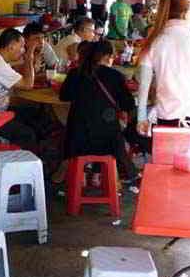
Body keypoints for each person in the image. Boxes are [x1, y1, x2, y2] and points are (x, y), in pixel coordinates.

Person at [136, 0, 190, 134]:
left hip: (167, 120)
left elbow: (143, 86)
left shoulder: (153, 43)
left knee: (168, 157)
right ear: (185, 12)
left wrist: (141, 118)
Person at [58, 40, 137, 184]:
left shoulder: (75, 73)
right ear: (107, 57)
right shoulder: (115, 76)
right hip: (106, 142)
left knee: (89, 124)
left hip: (77, 140)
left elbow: (64, 96)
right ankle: (97, 174)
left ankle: (81, 176)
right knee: (112, 128)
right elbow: (129, 104)